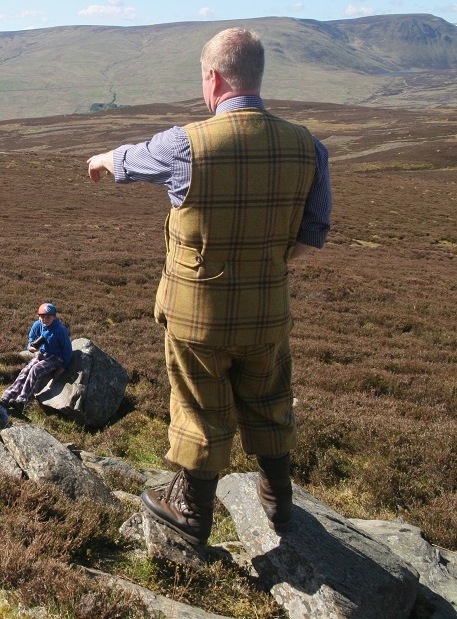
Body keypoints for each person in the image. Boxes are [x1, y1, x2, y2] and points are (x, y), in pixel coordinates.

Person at [87, 28, 332, 547]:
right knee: (270, 396)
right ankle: (278, 497)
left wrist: (101, 160)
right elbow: (312, 237)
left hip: (196, 315)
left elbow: (129, 160)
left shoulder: (186, 144)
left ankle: (193, 510)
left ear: (214, 78)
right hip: (267, 311)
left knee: (199, 405)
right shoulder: (308, 147)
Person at [0, 303, 72, 414]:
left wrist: (63, 367)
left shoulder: (60, 330)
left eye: (48, 316)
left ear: (54, 316)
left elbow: (67, 350)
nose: (45, 319)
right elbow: (31, 340)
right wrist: (31, 348)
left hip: (56, 358)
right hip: (42, 355)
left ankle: (22, 400)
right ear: (39, 316)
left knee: (35, 370)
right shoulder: (37, 325)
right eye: (42, 316)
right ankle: (7, 396)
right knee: (25, 370)